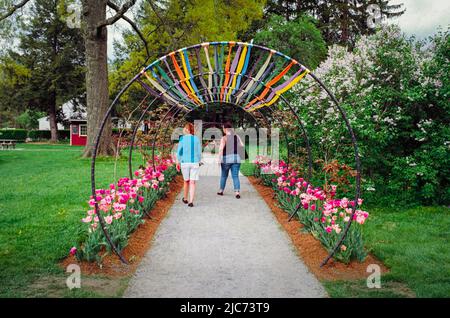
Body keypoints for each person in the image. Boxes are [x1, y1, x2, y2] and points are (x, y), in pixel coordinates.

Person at [176, 123, 202, 207]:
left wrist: (177, 162)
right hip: (194, 162)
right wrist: (199, 161)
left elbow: (179, 152)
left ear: (187, 129)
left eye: (184, 128)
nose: (183, 129)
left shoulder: (182, 139)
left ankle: (185, 198)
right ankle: (191, 201)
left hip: (185, 162)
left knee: (186, 181)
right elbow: (198, 152)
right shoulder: (196, 139)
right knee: (192, 182)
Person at [217, 122, 245, 199]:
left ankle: (221, 191)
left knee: (223, 175)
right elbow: (242, 145)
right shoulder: (237, 137)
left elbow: (221, 149)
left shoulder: (224, 138)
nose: (223, 130)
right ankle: (237, 192)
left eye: (223, 128)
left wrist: (219, 159)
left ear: (226, 129)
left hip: (226, 159)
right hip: (236, 158)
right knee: (235, 176)